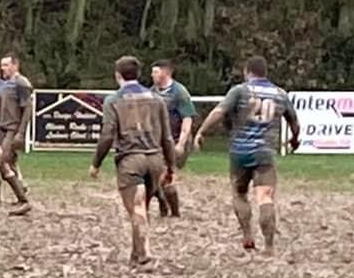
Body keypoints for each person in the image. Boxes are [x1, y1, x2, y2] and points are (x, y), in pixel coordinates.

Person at [194, 56, 299, 252]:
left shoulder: (240, 90)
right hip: (264, 153)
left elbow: (219, 112)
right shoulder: (280, 94)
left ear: (247, 71)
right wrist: (294, 139)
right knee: (265, 197)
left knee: (239, 194)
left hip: (239, 152)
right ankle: (269, 246)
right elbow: (293, 120)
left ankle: (247, 235)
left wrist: (202, 131)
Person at [90, 56, 174, 267]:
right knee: (143, 208)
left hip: (130, 160)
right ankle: (136, 255)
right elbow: (167, 137)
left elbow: (107, 134)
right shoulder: (157, 99)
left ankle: (144, 254)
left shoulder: (113, 100)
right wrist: (171, 166)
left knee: (136, 208)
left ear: (117, 75)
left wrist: (96, 163)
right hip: (155, 159)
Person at [148, 59, 198, 217]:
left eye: (155, 72)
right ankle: (165, 205)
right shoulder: (152, 92)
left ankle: (173, 211)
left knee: (164, 177)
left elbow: (187, 119)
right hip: (159, 141)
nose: (152, 75)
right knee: (154, 176)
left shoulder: (179, 92)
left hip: (175, 140)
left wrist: (181, 144)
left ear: (166, 73)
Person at [0, 54, 32, 208]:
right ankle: (21, 188)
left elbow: (27, 108)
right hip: (2, 127)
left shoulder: (21, 83)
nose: (3, 68)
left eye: (6, 65)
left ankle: (23, 198)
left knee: (1, 161)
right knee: (9, 161)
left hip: (12, 128)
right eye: (2, 65)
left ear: (15, 66)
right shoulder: (5, 84)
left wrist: (21, 132)